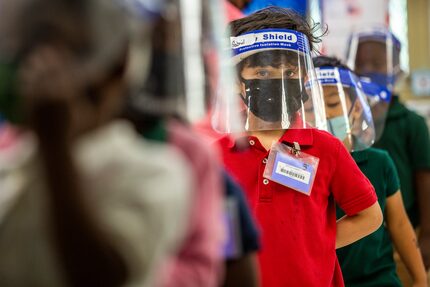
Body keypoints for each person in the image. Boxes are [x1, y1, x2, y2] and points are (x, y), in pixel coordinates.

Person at [0, 0, 192, 286]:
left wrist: (56, 149)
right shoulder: (14, 165)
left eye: (73, 48)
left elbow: (101, 274)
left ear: (118, 63)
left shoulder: (152, 173)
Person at [214, 7, 383, 286]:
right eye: (264, 71)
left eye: (290, 70)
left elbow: (369, 215)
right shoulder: (215, 156)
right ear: (236, 81)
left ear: (305, 78)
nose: (279, 80)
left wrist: (319, 243)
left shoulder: (327, 149)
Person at [314, 55, 428, 287]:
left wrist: (419, 279)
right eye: (310, 107)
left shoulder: (379, 163)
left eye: (333, 104)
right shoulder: (299, 169)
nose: (323, 115)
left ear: (356, 109)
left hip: (380, 281)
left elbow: (399, 225)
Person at [347, 27, 430, 281]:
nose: (368, 71)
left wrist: (427, 235)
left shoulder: (410, 123)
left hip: (405, 234)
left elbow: (425, 179)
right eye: (361, 64)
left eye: (377, 64)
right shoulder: (348, 123)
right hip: (362, 236)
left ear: (395, 71)